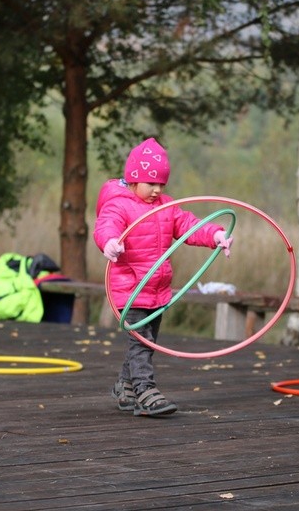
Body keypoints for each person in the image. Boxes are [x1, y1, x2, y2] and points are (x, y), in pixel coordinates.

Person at [93, 137, 233, 417]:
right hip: (130, 289)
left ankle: (125, 386)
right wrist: (109, 242)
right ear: (133, 180)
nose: (157, 190)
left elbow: (188, 225)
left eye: (161, 184)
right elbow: (105, 226)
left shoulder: (167, 206)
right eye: (151, 183)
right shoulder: (119, 205)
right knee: (141, 342)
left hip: (157, 289)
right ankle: (146, 392)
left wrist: (216, 235)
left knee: (145, 342)